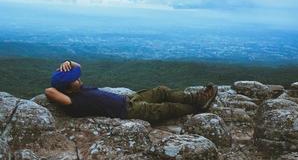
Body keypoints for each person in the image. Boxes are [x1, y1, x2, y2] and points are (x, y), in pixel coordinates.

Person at [45, 60, 218, 124]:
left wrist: (67, 63)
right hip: (128, 111)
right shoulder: (72, 102)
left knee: (161, 90)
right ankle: (198, 107)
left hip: (128, 98)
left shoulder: (75, 89)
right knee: (168, 108)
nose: (79, 78)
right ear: (67, 87)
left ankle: (196, 98)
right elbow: (49, 91)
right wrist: (59, 80)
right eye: (75, 79)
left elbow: (78, 66)